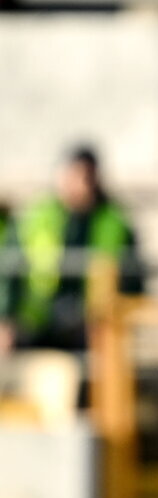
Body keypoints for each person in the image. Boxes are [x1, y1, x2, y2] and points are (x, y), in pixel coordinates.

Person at [0, 145, 143, 354]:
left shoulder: (115, 222)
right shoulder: (36, 216)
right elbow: (10, 270)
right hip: (37, 322)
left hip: (91, 326)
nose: (81, 186)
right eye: (75, 176)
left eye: (87, 178)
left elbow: (133, 279)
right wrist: (5, 318)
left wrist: (122, 324)